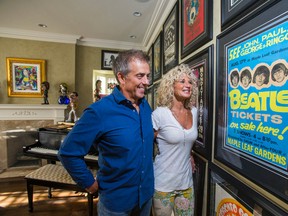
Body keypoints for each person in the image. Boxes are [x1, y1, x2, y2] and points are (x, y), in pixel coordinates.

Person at [58, 49, 154, 216]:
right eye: (140, 76)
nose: (146, 82)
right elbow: (68, 152)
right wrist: (88, 183)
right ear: (121, 77)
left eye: (148, 75)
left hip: (145, 198)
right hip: (116, 204)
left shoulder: (146, 107)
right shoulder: (99, 111)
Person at [152, 64, 198, 216]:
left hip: (186, 183)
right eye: (182, 81)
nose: (187, 85)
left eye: (190, 82)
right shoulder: (159, 114)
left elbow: (186, 140)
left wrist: (189, 154)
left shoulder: (194, 112)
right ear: (171, 86)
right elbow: (144, 146)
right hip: (162, 184)